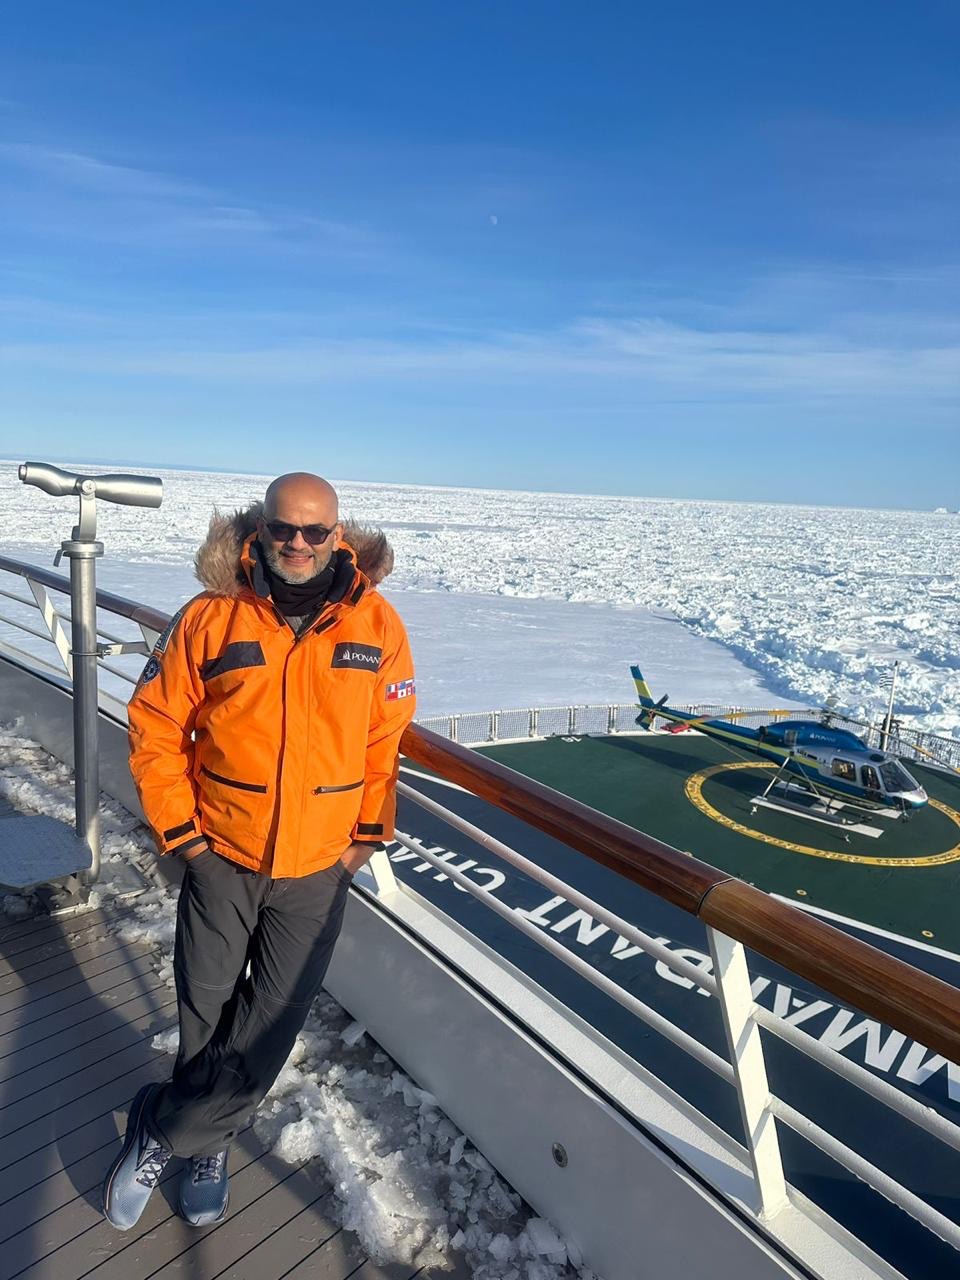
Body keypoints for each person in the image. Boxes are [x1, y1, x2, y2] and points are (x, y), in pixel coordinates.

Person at [102, 472, 415, 1230]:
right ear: (260, 530)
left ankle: (169, 1128)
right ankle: (207, 1144)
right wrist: (185, 837)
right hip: (223, 854)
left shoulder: (376, 627)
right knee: (206, 1003)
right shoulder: (211, 617)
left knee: (273, 1016)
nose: (297, 545)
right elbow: (154, 727)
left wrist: (365, 837)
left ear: (338, 536)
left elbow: (385, 742)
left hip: (318, 864)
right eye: (284, 529)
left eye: (314, 532)